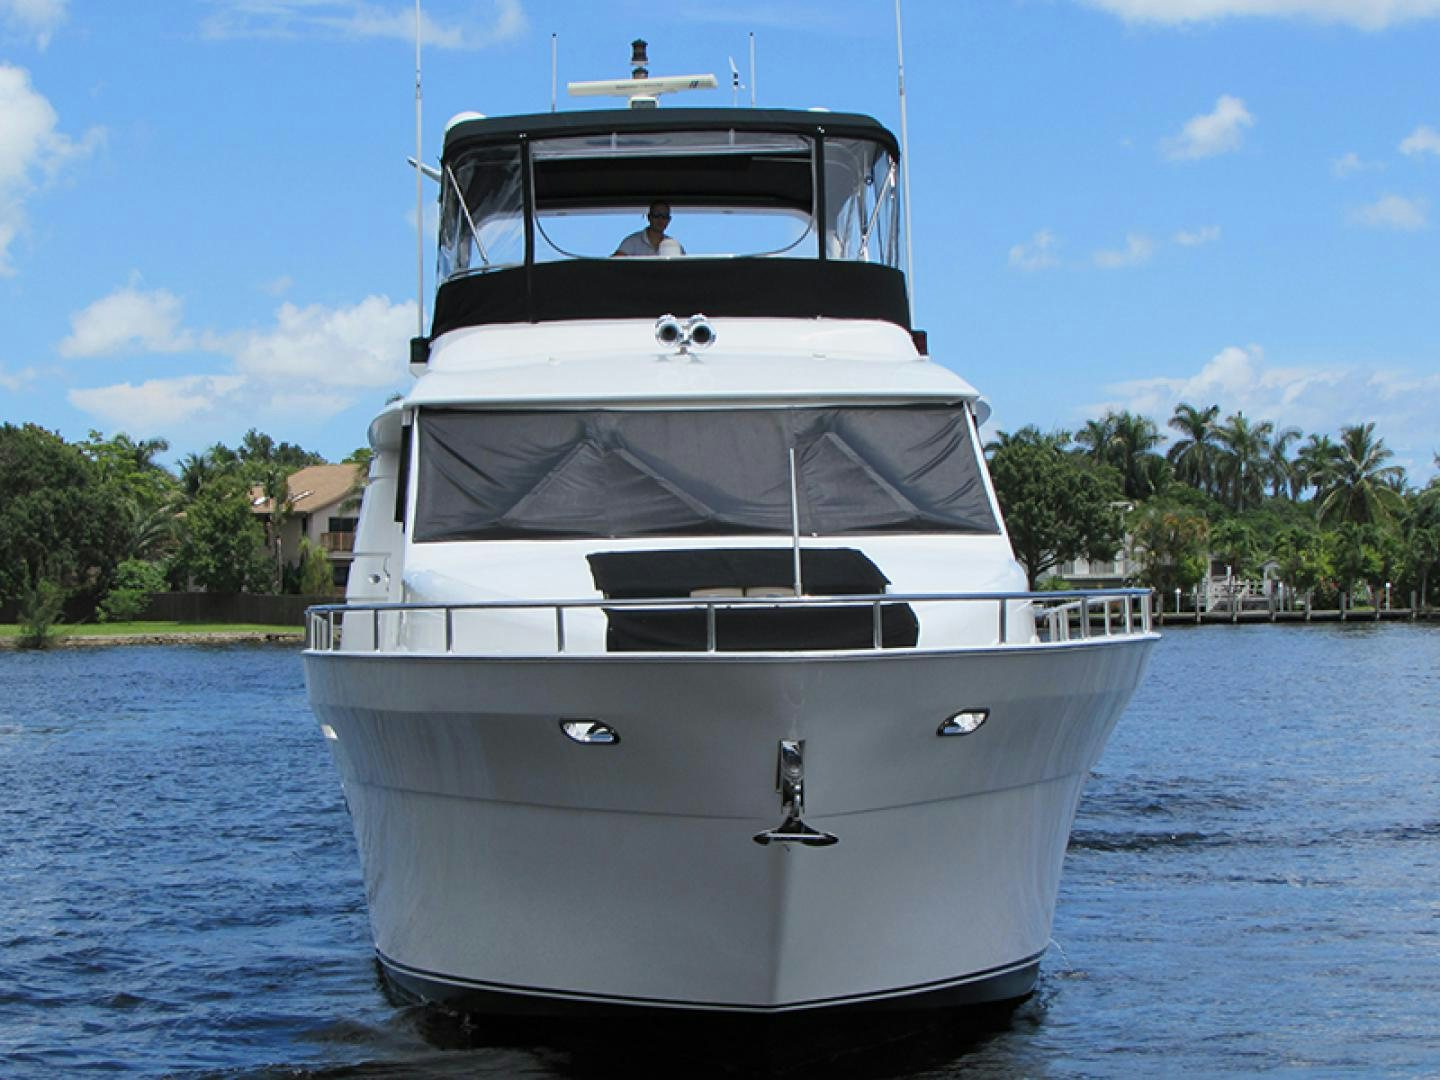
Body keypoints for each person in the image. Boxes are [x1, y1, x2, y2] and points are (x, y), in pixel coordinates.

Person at [613, 202, 684, 257]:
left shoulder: (675, 246)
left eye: (664, 216)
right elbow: (613, 264)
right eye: (656, 215)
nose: (660, 219)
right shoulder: (632, 241)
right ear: (649, 217)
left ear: (669, 220)